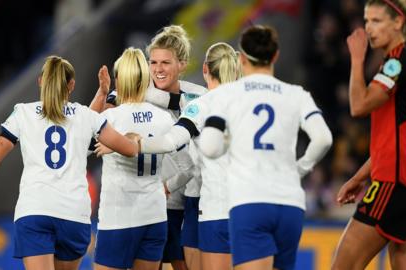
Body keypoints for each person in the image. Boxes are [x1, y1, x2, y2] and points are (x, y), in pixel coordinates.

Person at [0, 55, 139, 270]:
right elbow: (127, 148)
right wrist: (135, 137)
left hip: (35, 211)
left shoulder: (23, 112)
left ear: (40, 80)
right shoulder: (85, 115)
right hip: (73, 215)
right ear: (71, 85)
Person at [198, 25, 333, 270]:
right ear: (275, 55)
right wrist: (301, 169)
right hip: (291, 203)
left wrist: (230, 144)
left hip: (250, 201)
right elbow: (323, 138)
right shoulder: (297, 94)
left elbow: (208, 146)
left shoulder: (227, 94)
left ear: (240, 58)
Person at [332, 1, 406, 269]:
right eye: (367, 20)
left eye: (377, 21)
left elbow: (359, 106)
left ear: (398, 22)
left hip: (396, 182)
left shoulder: (399, 59)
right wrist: (359, 177)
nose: (368, 28)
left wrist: (357, 59)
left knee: (344, 265)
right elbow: (398, 138)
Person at [90, 25, 207, 270]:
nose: (158, 69)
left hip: (189, 201)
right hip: (158, 207)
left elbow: (88, 135)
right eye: (153, 62)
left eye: (165, 62)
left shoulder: (197, 96)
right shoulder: (151, 102)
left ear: (182, 64)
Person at [138, 42, 240, 270]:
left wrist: (136, 143)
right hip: (249, 205)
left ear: (205, 69)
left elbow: (172, 140)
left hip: (208, 203)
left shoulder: (201, 105)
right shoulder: (249, 106)